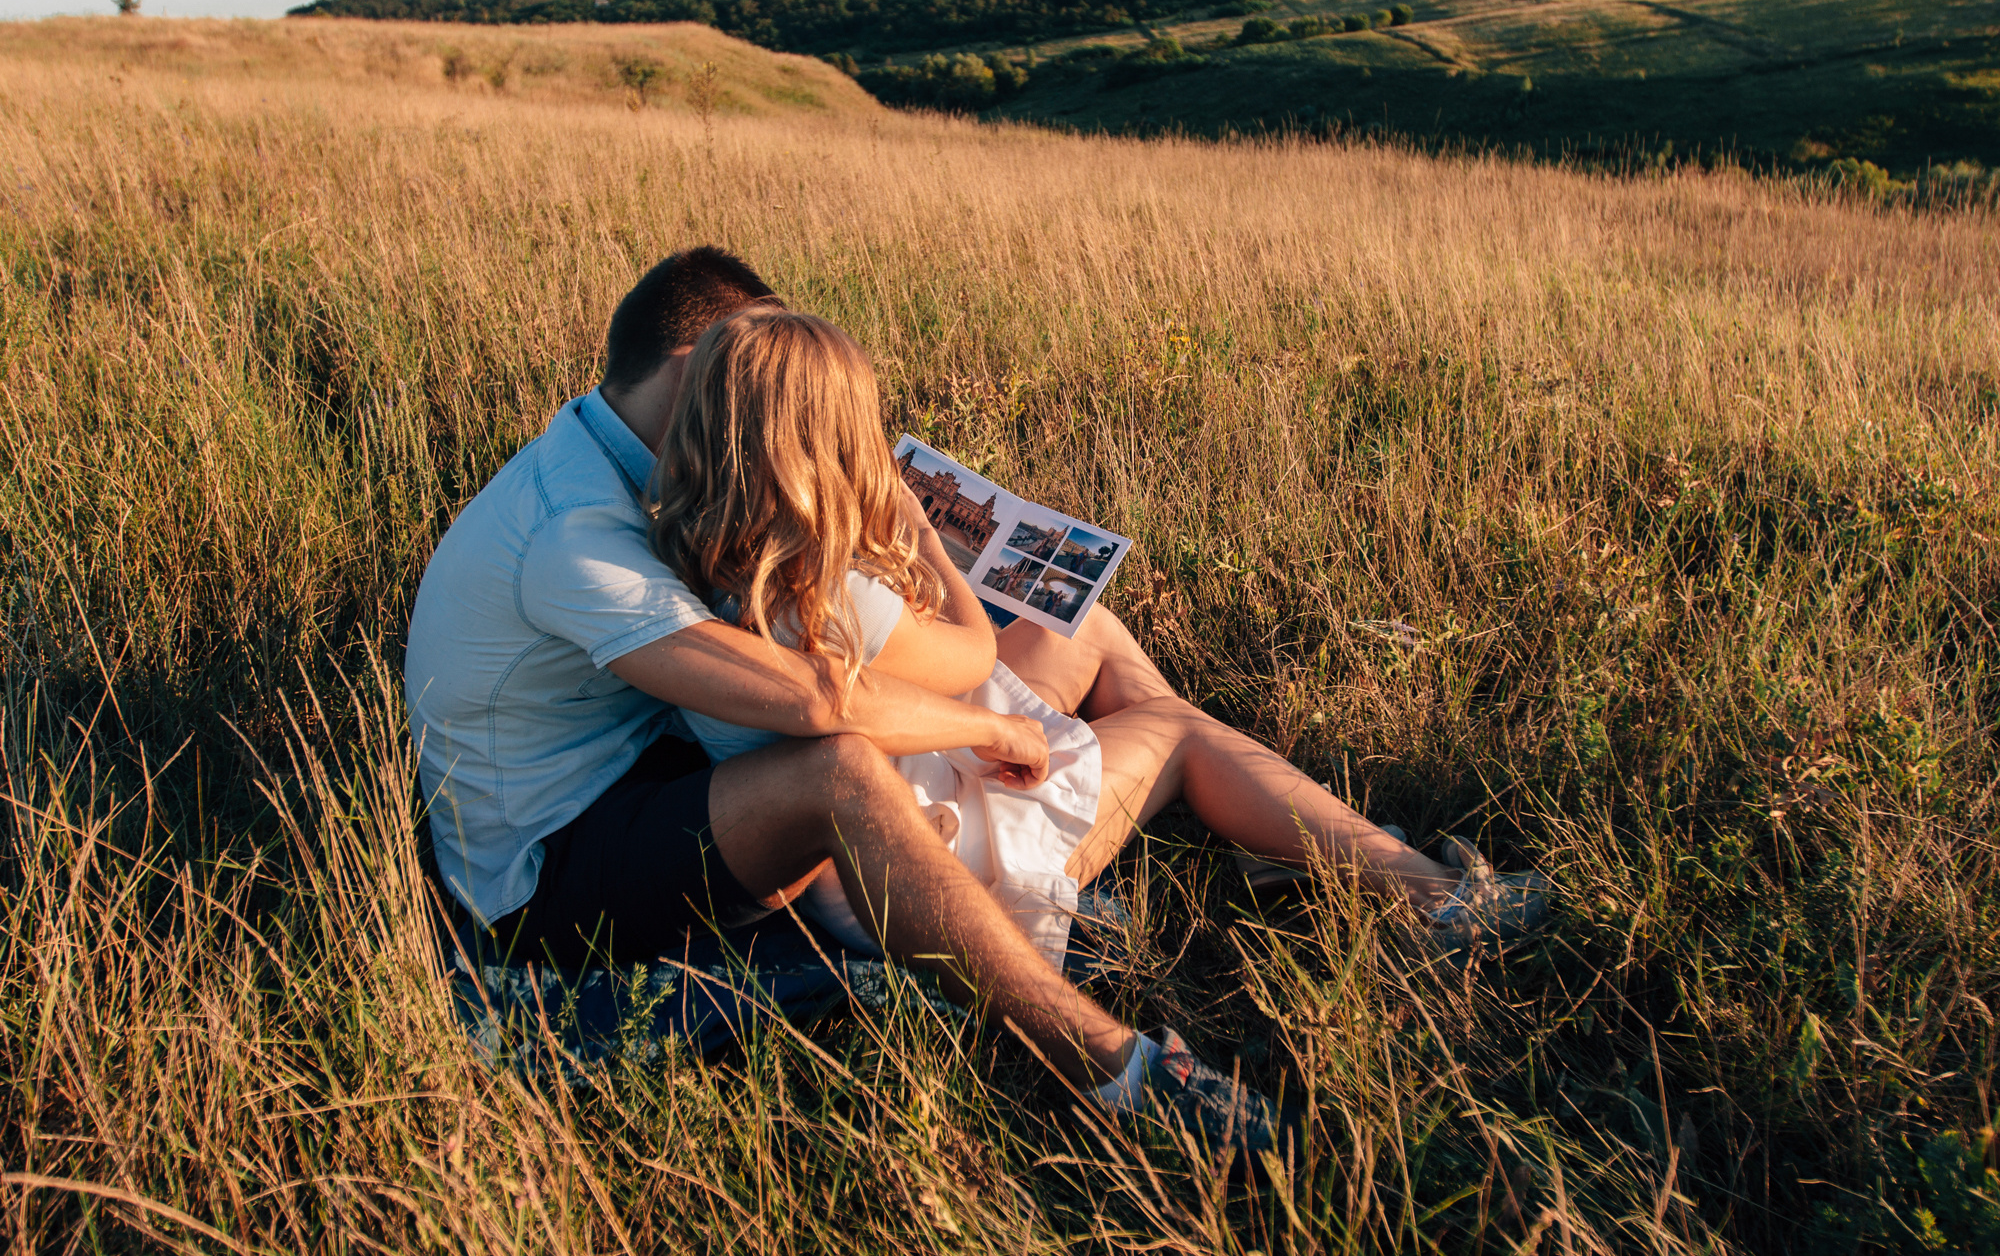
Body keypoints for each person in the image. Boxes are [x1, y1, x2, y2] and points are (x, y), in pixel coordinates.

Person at [403, 247, 1545, 1171]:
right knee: (877, 762)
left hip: (671, 767)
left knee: (1085, 640)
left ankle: (1210, 820)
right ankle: (1110, 1061)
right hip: (554, 867)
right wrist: (990, 712)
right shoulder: (574, 528)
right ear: (707, 362)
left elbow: (823, 653)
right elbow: (814, 698)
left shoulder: (672, 482)